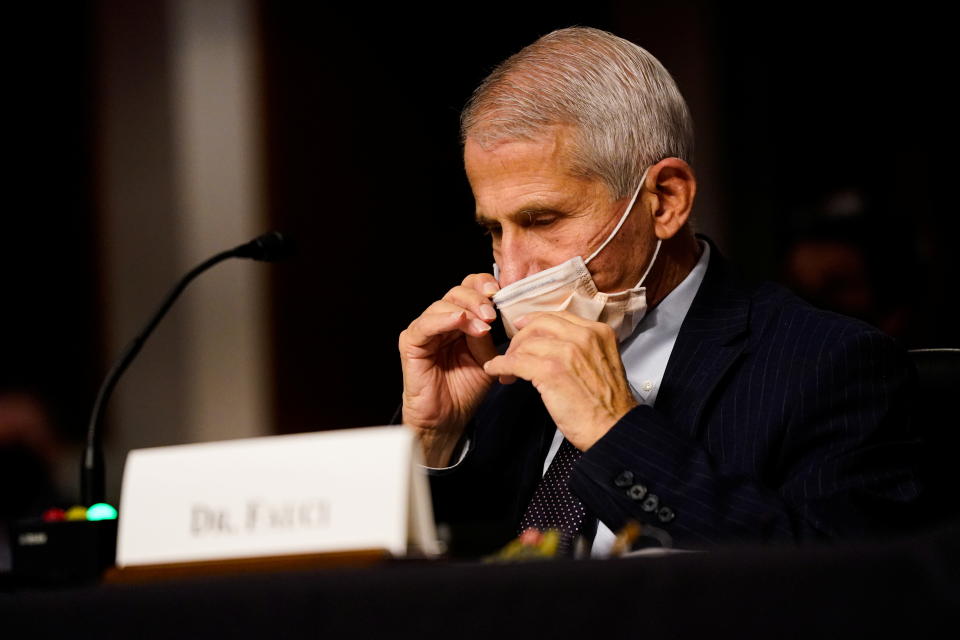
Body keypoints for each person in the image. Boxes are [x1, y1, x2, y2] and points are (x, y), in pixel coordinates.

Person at [398, 27, 922, 556]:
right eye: (494, 229)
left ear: (666, 201)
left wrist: (616, 433)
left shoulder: (828, 365)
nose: (511, 270)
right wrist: (432, 443)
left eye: (544, 220)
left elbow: (847, 593)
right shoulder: (495, 376)